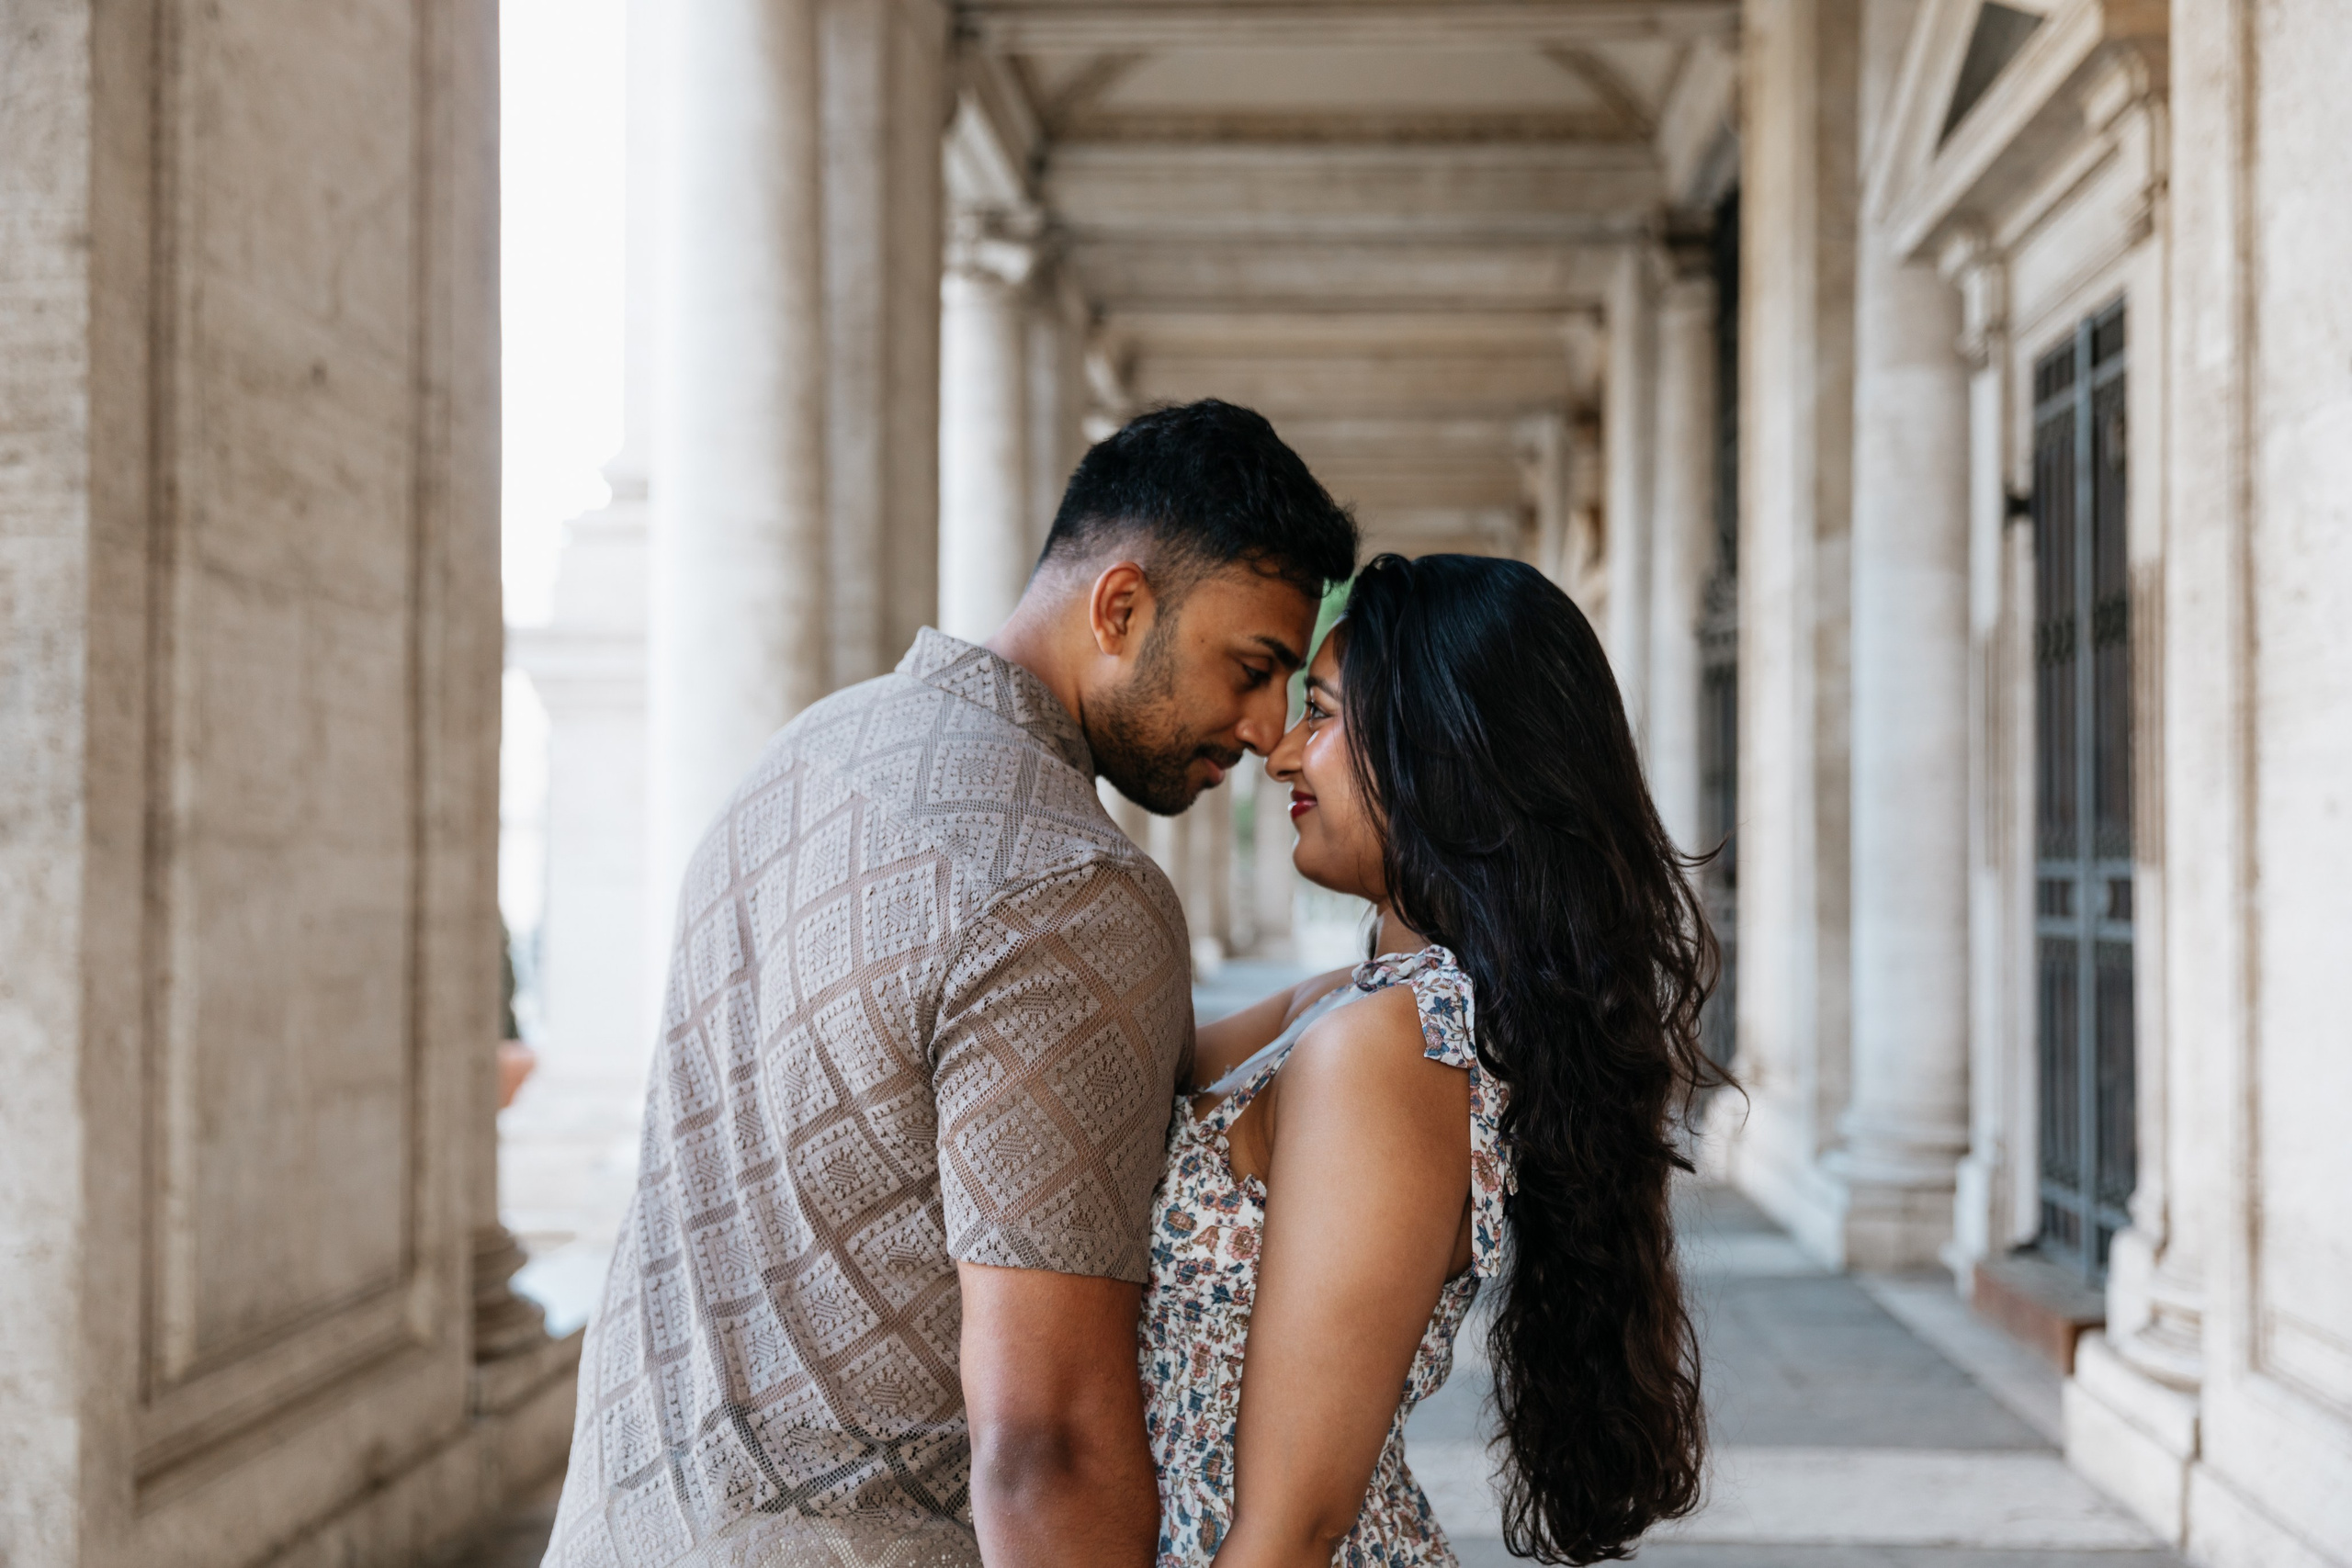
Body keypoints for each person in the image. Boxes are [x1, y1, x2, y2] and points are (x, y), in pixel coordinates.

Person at [538, 400, 1357, 1568]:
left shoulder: (803, 756)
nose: (1270, 728)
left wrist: (1351, 997)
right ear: (1120, 607)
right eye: (1254, 666)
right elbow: (1046, 1443)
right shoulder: (1069, 884)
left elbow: (950, 1100)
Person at [1139, 552, 1724, 1567]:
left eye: (1318, 714)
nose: (1280, 756)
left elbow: (1290, 1528)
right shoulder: (1352, 1006)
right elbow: (1120, 1081)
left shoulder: (1389, 1046)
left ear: (1440, 753)